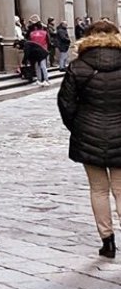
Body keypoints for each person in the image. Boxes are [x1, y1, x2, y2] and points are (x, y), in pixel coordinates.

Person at [58, 20, 121, 259]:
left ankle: (108, 242)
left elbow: (65, 103)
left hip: (89, 134)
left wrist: (78, 127)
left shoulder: (79, 66)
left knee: (98, 190)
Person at [24, 15, 50, 83]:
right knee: (43, 65)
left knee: (37, 66)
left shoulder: (31, 33)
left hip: (34, 50)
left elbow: (28, 41)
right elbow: (49, 42)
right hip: (43, 50)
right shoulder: (44, 33)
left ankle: (39, 79)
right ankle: (46, 79)